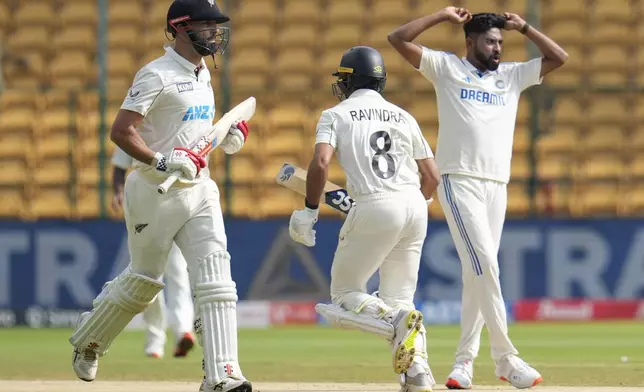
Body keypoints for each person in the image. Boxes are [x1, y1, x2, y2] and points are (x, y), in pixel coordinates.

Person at [68, 1, 253, 391]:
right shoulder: (156, 74)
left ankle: (223, 374)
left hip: (200, 189)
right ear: (181, 28)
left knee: (217, 278)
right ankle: (89, 340)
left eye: (217, 26)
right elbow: (121, 131)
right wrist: (162, 161)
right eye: (207, 26)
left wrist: (231, 137)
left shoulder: (203, 74)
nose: (215, 34)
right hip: (154, 189)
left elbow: (197, 138)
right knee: (144, 282)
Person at [388, 7, 568, 390]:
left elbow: (558, 58)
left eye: (501, 41)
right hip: (459, 180)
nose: (498, 47)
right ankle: (506, 358)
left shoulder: (512, 75)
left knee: (477, 275)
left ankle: (463, 364)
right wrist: (440, 16)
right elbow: (398, 39)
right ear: (470, 42)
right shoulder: (447, 68)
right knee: (486, 266)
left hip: (496, 185)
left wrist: (527, 28)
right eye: (490, 41)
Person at [289, 46, 441, 392]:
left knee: (344, 295)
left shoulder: (335, 115)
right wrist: (417, 205)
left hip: (373, 203)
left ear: (348, 80)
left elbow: (322, 164)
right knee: (401, 298)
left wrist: (309, 212)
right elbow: (431, 175)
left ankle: (393, 322)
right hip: (415, 205)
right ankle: (418, 376)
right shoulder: (404, 116)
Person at [110, 146, 196, 359]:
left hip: (175, 208)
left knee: (176, 275)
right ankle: (158, 339)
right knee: (149, 278)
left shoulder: (177, 126)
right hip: (145, 211)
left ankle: (181, 333)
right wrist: (118, 192)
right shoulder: (138, 131)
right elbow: (120, 164)